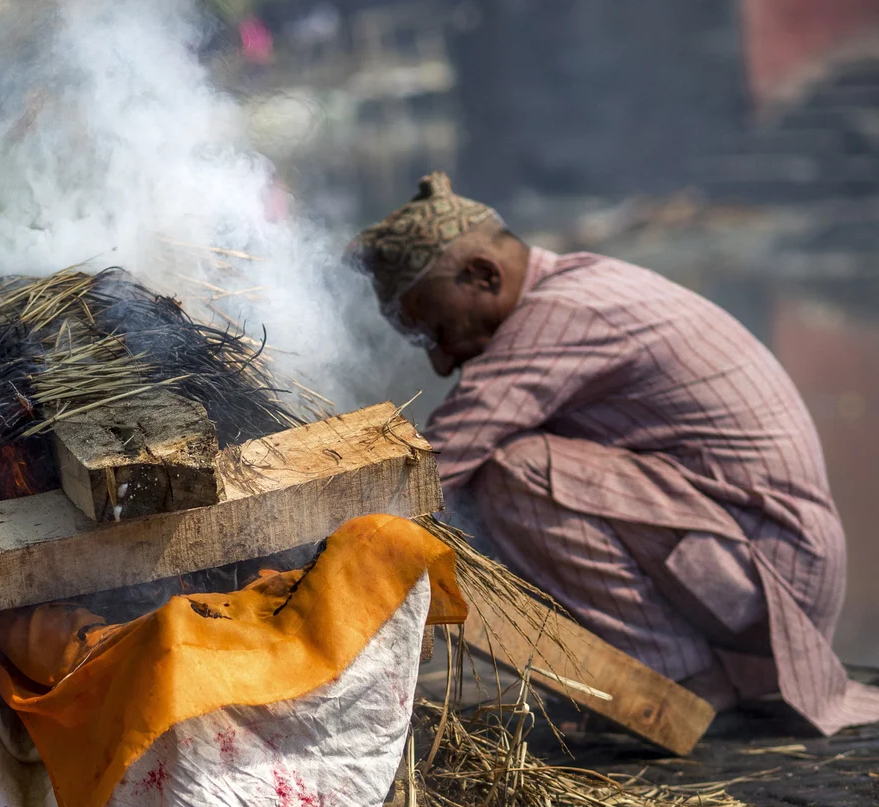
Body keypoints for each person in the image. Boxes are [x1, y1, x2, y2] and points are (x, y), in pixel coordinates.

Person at [346, 171, 879, 734]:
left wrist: (325, 542)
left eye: (437, 332)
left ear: (483, 275)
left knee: (509, 472)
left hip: (773, 573)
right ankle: (679, 666)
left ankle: (675, 681)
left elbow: (441, 460)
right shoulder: (579, 285)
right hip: (761, 561)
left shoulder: (565, 314)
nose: (441, 362)